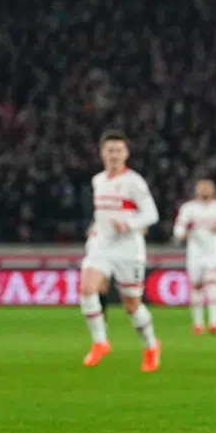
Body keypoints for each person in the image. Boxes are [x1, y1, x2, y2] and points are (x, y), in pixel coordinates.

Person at [80, 130, 162, 372]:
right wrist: (95, 228)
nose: (114, 154)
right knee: (87, 288)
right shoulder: (98, 181)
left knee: (131, 305)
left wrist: (129, 224)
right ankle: (100, 342)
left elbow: (152, 214)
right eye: (109, 150)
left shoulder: (134, 182)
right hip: (101, 246)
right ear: (102, 153)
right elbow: (102, 213)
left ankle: (151, 345)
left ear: (126, 153)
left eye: (118, 150)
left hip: (129, 250)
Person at [173, 179, 216, 334]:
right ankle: (198, 323)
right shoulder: (188, 208)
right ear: (196, 190)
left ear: (213, 190)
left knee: (213, 284)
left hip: (215, 251)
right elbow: (179, 227)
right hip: (195, 252)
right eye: (202, 188)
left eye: (208, 187)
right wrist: (182, 233)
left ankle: (214, 323)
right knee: (196, 286)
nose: (205, 190)